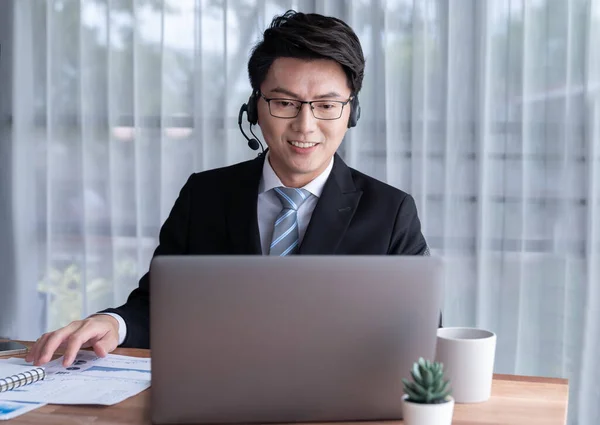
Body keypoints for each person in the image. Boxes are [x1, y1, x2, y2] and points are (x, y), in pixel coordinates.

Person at [26, 10, 430, 367]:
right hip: (214, 397)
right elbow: (161, 305)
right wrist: (112, 323)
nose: (305, 126)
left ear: (351, 112)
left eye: (326, 105)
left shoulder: (391, 212)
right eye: (284, 103)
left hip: (335, 405)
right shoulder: (204, 196)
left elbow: (420, 337)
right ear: (255, 108)